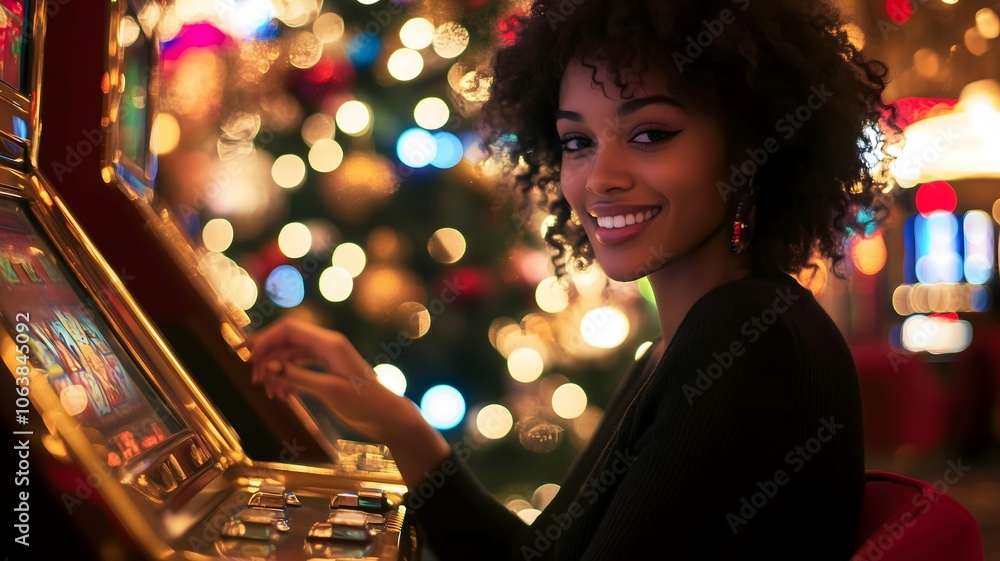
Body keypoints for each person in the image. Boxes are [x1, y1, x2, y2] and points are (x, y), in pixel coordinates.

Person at [249, 0, 897, 558]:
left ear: (750, 147)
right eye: (577, 142)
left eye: (650, 133)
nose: (599, 177)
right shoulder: (685, 338)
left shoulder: (752, 342)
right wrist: (399, 424)